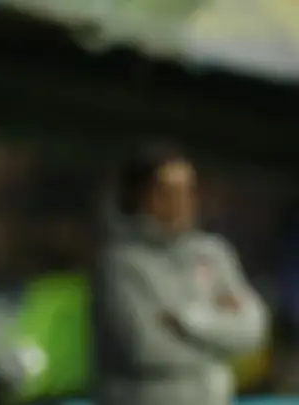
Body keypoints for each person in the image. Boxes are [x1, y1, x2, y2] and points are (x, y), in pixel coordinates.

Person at [91, 142, 268, 405]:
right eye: (166, 192)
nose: (180, 203)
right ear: (138, 195)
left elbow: (253, 331)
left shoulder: (213, 253)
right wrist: (222, 341)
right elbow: (147, 350)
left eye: (187, 191)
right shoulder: (119, 263)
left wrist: (188, 321)